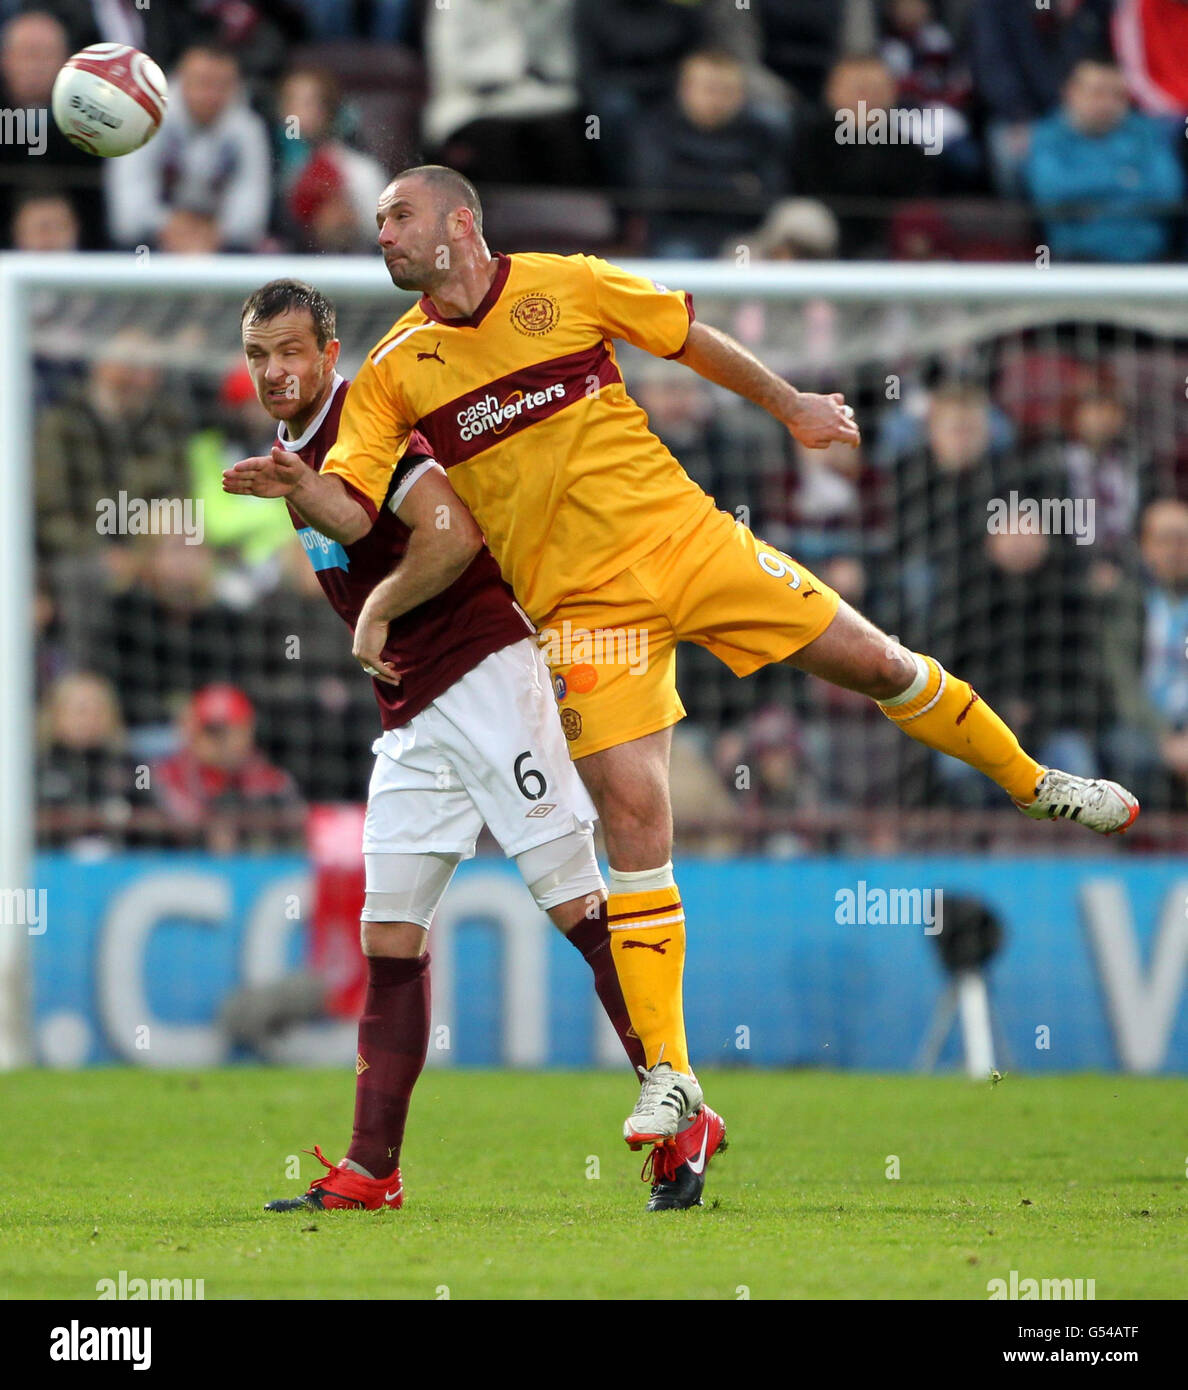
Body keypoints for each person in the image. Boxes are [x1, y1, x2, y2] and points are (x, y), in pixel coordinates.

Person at [292, 165, 1141, 1177]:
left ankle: (1033, 782)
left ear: (457, 222)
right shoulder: (394, 368)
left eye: (398, 216)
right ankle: (673, 1077)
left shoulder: (570, 284)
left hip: (691, 543)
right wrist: (302, 492)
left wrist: (794, 409)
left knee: (872, 663)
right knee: (633, 814)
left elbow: (689, 339)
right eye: (378, 222)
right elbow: (353, 502)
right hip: (581, 612)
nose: (380, 233)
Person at [223, 280, 719, 1213]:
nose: (276, 371)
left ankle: (681, 1106)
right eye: (258, 356)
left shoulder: (366, 421)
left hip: (487, 676)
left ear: (330, 353)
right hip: (413, 712)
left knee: (579, 905)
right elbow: (352, 527)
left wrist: (374, 608)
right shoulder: (295, 450)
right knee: (389, 933)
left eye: (291, 351)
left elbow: (449, 536)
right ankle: (374, 1170)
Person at [106, 43, 271, 253]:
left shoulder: (248, 129)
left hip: (220, 246)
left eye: (223, 85)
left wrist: (215, 233)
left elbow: (252, 214)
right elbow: (127, 215)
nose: (212, 95)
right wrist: (168, 226)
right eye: (203, 83)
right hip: (151, 245)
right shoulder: (142, 118)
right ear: (180, 80)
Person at [1025, 57, 1184, 263]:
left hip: (1150, 261)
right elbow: (1051, 192)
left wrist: (1089, 199)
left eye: (1117, 95)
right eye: (1097, 93)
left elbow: (1168, 190)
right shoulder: (1048, 136)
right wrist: (1126, 180)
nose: (1107, 103)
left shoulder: (1146, 132)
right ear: (1070, 92)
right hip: (1075, 262)